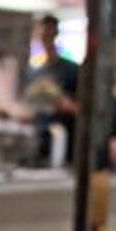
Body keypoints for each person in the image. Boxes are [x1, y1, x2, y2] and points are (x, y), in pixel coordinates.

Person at [23, 14, 80, 162]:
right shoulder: (34, 71)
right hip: (40, 138)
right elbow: (33, 109)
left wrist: (67, 105)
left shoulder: (71, 70)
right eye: (42, 33)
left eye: (49, 33)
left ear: (56, 34)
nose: (45, 38)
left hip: (65, 139)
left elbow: (83, 110)